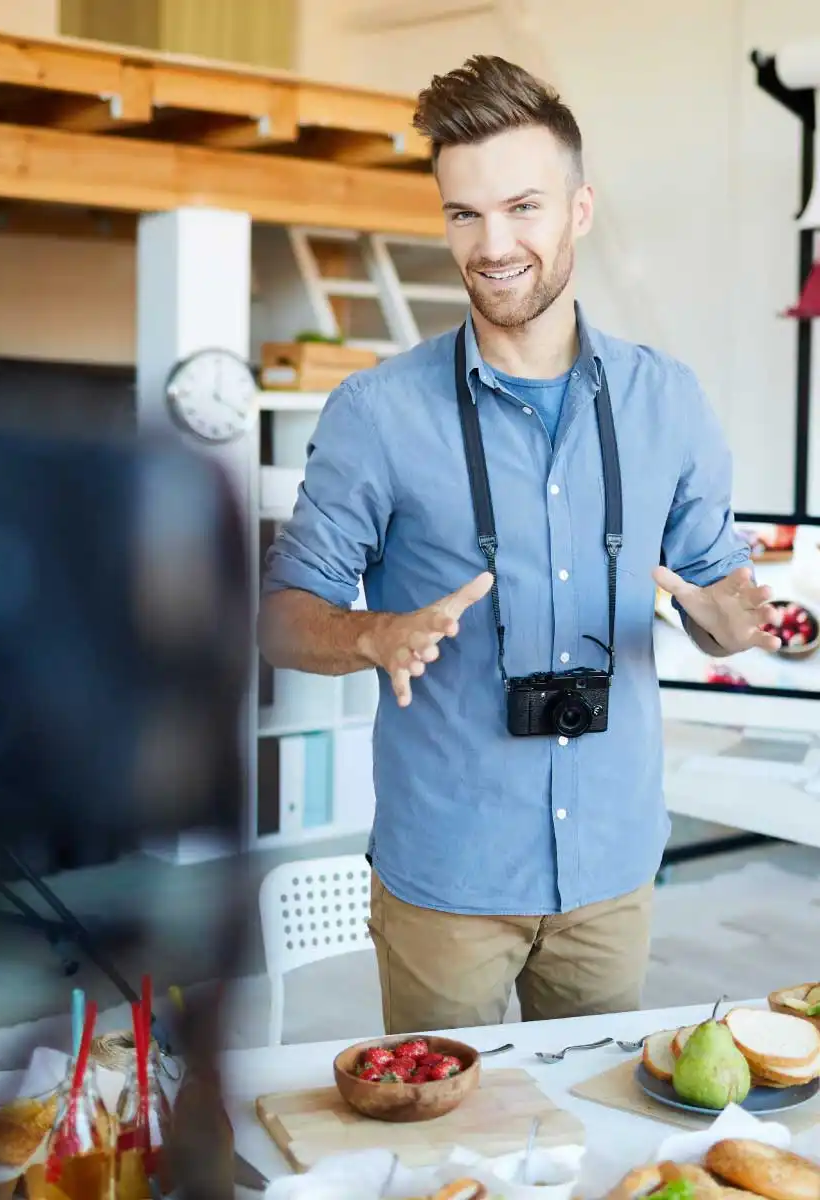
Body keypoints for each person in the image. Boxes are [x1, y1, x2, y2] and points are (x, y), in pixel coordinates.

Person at [256, 55, 780, 1034]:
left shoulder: (668, 400)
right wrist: (372, 635)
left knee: (589, 1152)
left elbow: (718, 597)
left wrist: (722, 625)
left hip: (613, 874)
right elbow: (281, 616)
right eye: (464, 214)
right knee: (441, 1163)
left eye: (522, 208)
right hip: (447, 876)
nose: (492, 244)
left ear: (580, 209)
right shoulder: (376, 413)